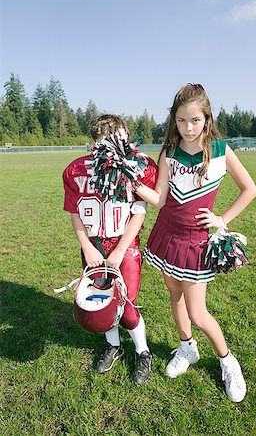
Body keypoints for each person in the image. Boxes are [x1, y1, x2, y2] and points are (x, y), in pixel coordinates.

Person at [135, 83, 256, 402]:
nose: (187, 128)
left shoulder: (220, 150)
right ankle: (187, 348)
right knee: (174, 296)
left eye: (195, 121)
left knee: (199, 312)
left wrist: (222, 219)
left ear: (207, 118)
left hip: (197, 243)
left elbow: (250, 189)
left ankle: (228, 361)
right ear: (173, 120)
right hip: (167, 235)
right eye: (180, 121)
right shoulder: (169, 152)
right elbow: (160, 199)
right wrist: (132, 183)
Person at [62, 114, 157, 384]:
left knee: (126, 307)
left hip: (124, 246)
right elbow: (75, 213)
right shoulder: (76, 170)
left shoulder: (136, 168)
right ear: (94, 144)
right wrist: (88, 248)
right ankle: (113, 346)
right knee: (101, 303)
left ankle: (143, 351)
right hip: (93, 246)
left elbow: (139, 214)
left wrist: (118, 251)